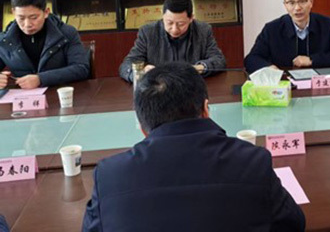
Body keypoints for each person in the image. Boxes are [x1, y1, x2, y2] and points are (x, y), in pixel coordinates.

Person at [82, 62, 305, 231]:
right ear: (206, 109)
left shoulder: (109, 176)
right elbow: (293, 224)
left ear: (142, 128)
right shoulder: (253, 162)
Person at [244, 0, 330, 74]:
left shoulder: (326, 25)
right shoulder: (272, 29)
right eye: (291, 3)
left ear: (311, 2)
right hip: (286, 85)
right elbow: (251, 59)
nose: (297, 8)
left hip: (319, 84)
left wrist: (312, 60)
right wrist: (268, 68)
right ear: (285, 5)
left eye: (302, 1)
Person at [119, 0, 226, 82]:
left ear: (191, 18)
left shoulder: (203, 30)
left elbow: (219, 60)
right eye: (169, 23)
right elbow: (126, 65)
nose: (174, 29)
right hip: (159, 89)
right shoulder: (148, 32)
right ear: (163, 16)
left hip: (192, 87)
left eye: (181, 24)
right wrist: (141, 73)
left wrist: (199, 68)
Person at [0, 0, 90, 89]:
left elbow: (81, 68)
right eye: (21, 18)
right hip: (23, 96)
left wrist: (41, 79)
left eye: (34, 17)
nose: (27, 24)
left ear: (46, 12)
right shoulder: (5, 39)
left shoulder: (66, 33)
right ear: (13, 13)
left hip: (60, 92)